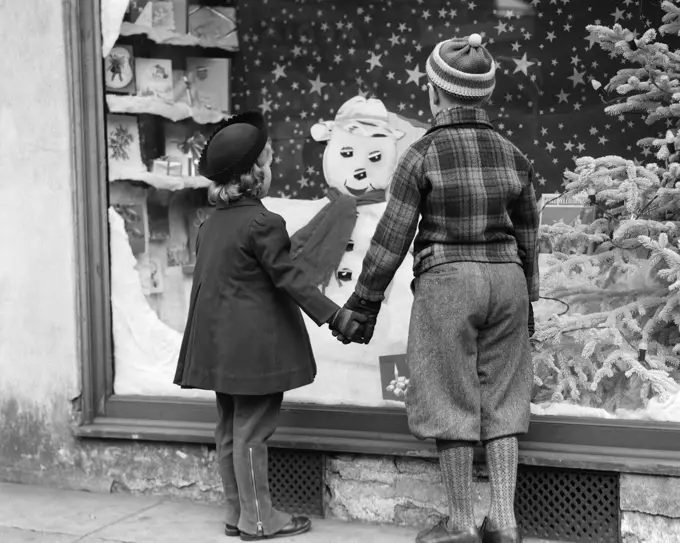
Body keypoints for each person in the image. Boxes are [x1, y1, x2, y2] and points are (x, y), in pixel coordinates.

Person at [336, 34, 539, 543]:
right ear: (484, 95)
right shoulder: (514, 156)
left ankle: (463, 524)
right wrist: (528, 299)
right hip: (507, 279)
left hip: (448, 281)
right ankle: (506, 523)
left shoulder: (421, 154)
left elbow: (392, 237)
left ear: (434, 93)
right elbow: (530, 235)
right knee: (504, 397)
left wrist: (364, 302)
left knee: (449, 396)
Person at [173, 111, 368, 541]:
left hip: (219, 348)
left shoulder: (211, 225)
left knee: (229, 428)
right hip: (253, 351)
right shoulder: (263, 222)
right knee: (252, 431)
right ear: (256, 174)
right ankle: (259, 519)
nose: (273, 168)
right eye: (270, 161)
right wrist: (335, 315)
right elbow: (290, 277)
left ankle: (236, 512)